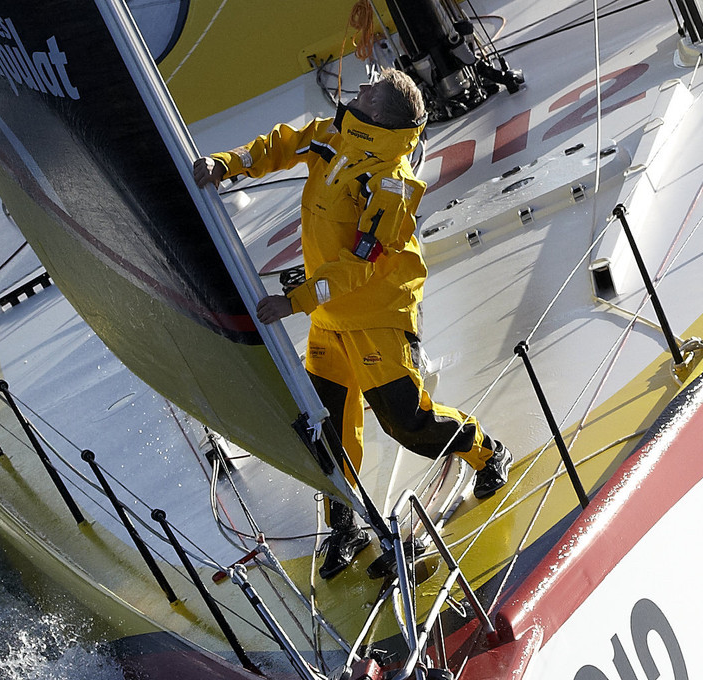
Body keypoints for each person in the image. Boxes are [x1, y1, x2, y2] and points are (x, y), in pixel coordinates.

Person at [195, 70, 510, 577]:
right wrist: (225, 165)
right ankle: (345, 525)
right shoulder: (333, 134)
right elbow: (282, 145)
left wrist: (294, 301)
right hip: (328, 317)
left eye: (368, 92)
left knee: (405, 419)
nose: (356, 92)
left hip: (376, 317)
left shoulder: (393, 184)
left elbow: (364, 261)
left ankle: (486, 450)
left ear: (381, 114)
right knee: (328, 429)